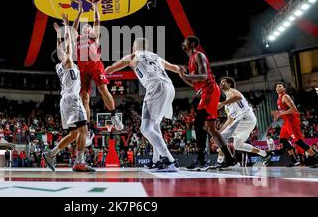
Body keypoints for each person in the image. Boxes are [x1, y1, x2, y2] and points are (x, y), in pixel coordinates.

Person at [105, 37, 181, 172]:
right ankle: (156, 160)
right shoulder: (156, 57)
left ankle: (170, 161)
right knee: (155, 127)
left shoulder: (134, 55)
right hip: (170, 87)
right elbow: (175, 68)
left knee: (145, 129)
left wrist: (103, 70)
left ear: (135, 46)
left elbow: (110, 70)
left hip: (155, 87)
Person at [43, 14, 95, 172]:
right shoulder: (67, 62)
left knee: (74, 134)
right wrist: (67, 24)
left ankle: (51, 154)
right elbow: (70, 42)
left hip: (66, 100)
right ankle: (80, 162)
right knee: (83, 130)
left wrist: (60, 33)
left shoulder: (61, 65)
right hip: (72, 99)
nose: (68, 50)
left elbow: (62, 44)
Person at [179, 36, 237, 170]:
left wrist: (186, 75)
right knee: (211, 129)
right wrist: (183, 76)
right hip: (205, 92)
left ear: (192, 44)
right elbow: (194, 83)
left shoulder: (199, 55)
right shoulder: (190, 60)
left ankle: (201, 158)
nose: (183, 43)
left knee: (198, 123)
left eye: (185, 42)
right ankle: (230, 159)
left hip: (210, 90)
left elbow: (204, 76)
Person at [70, 0, 124, 134]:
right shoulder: (78, 38)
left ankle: (114, 116)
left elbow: (97, 20)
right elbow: (73, 29)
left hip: (95, 65)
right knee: (84, 97)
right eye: (85, 26)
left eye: (88, 26)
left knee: (103, 89)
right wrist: (80, 12)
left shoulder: (94, 36)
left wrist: (95, 6)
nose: (86, 27)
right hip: (82, 69)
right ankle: (86, 129)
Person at [209, 77, 272, 169]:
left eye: (224, 82)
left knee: (222, 138)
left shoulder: (232, 90)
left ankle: (220, 162)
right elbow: (229, 120)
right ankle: (265, 154)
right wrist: (217, 132)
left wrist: (222, 103)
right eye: (220, 82)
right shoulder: (227, 104)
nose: (221, 83)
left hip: (244, 117)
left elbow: (238, 97)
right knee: (238, 145)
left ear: (229, 84)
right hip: (246, 120)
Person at [272, 82, 318, 168]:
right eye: (277, 86)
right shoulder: (278, 99)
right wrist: (277, 116)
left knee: (298, 142)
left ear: (284, 89)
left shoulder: (285, 96)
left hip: (291, 122)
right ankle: (294, 160)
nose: (278, 87)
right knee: (283, 141)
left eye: (280, 86)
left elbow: (293, 109)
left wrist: (280, 114)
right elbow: (282, 112)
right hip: (286, 123)